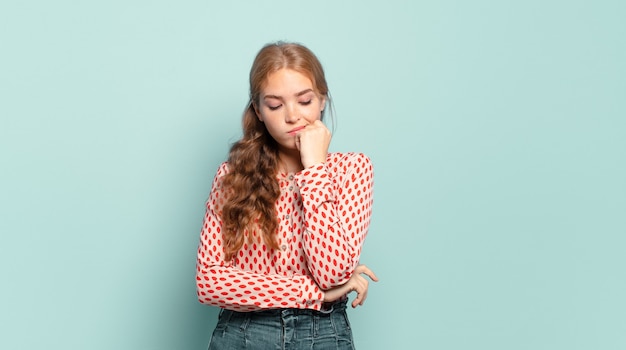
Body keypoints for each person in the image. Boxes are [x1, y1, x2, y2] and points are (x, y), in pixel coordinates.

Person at [196, 41, 378, 350]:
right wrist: (312, 292)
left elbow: (331, 273)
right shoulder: (232, 176)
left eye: (304, 101)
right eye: (276, 105)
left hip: (322, 333)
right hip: (243, 333)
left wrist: (315, 169)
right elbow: (210, 282)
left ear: (322, 100)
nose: (292, 116)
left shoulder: (352, 170)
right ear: (259, 111)